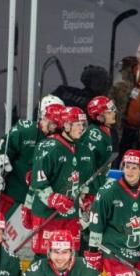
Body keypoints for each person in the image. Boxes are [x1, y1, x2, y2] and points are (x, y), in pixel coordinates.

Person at [0, 95, 64, 221]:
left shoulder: (64, 138)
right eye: (48, 117)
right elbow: (2, 152)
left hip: (42, 198)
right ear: (42, 115)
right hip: (14, 191)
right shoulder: (25, 131)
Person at [29, 107, 87, 259]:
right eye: (78, 124)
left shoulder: (78, 147)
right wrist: (53, 198)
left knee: (71, 256)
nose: (81, 128)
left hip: (70, 214)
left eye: (82, 124)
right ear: (66, 125)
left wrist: (82, 198)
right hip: (48, 215)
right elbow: (37, 182)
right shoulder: (48, 147)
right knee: (45, 257)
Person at [75, 95, 116, 248]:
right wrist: (83, 191)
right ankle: (82, 265)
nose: (113, 113)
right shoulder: (94, 135)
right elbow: (84, 163)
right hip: (89, 192)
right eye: (109, 111)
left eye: (112, 109)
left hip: (95, 190)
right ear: (99, 116)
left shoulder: (103, 132)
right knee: (87, 235)